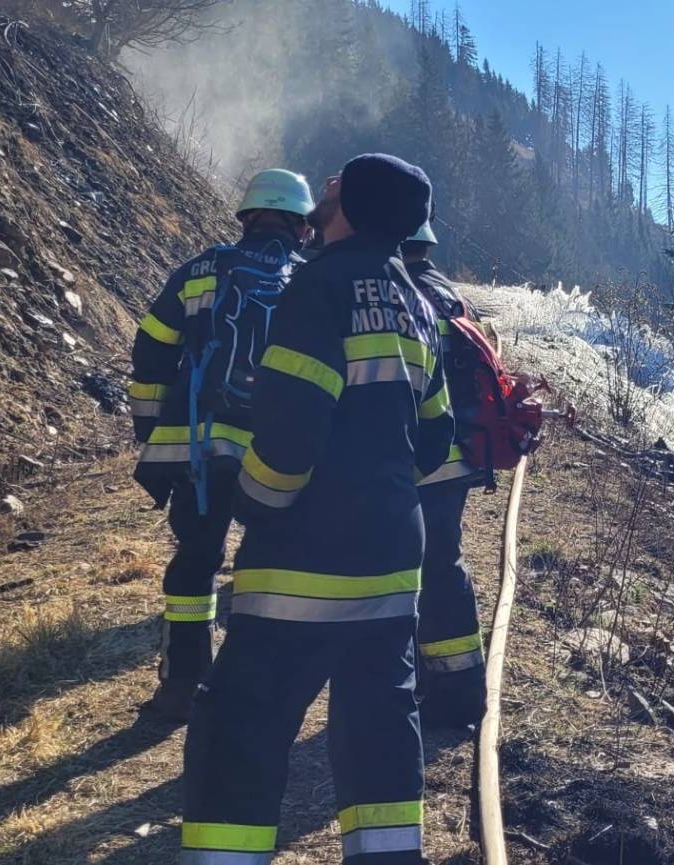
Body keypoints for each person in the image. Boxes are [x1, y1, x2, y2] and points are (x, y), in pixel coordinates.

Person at [179, 154, 451, 865]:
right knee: (379, 735)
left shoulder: (319, 288)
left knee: (240, 726)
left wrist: (256, 501)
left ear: (352, 206)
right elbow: (436, 437)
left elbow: (291, 433)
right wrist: (378, 487)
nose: (322, 190)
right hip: (392, 566)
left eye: (333, 184)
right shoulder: (418, 304)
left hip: (301, 565)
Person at [127, 168, 312, 724]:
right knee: (268, 567)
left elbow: (151, 350)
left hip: (200, 449)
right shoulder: (309, 280)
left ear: (247, 216)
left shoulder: (199, 270)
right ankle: (252, 689)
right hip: (275, 452)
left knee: (196, 560)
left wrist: (154, 432)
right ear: (301, 225)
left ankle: (182, 686)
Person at [401, 222, 489, 730]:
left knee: (415, 567)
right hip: (458, 455)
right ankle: (455, 687)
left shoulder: (399, 294)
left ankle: (441, 692)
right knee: (441, 563)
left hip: (418, 455)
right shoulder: (452, 294)